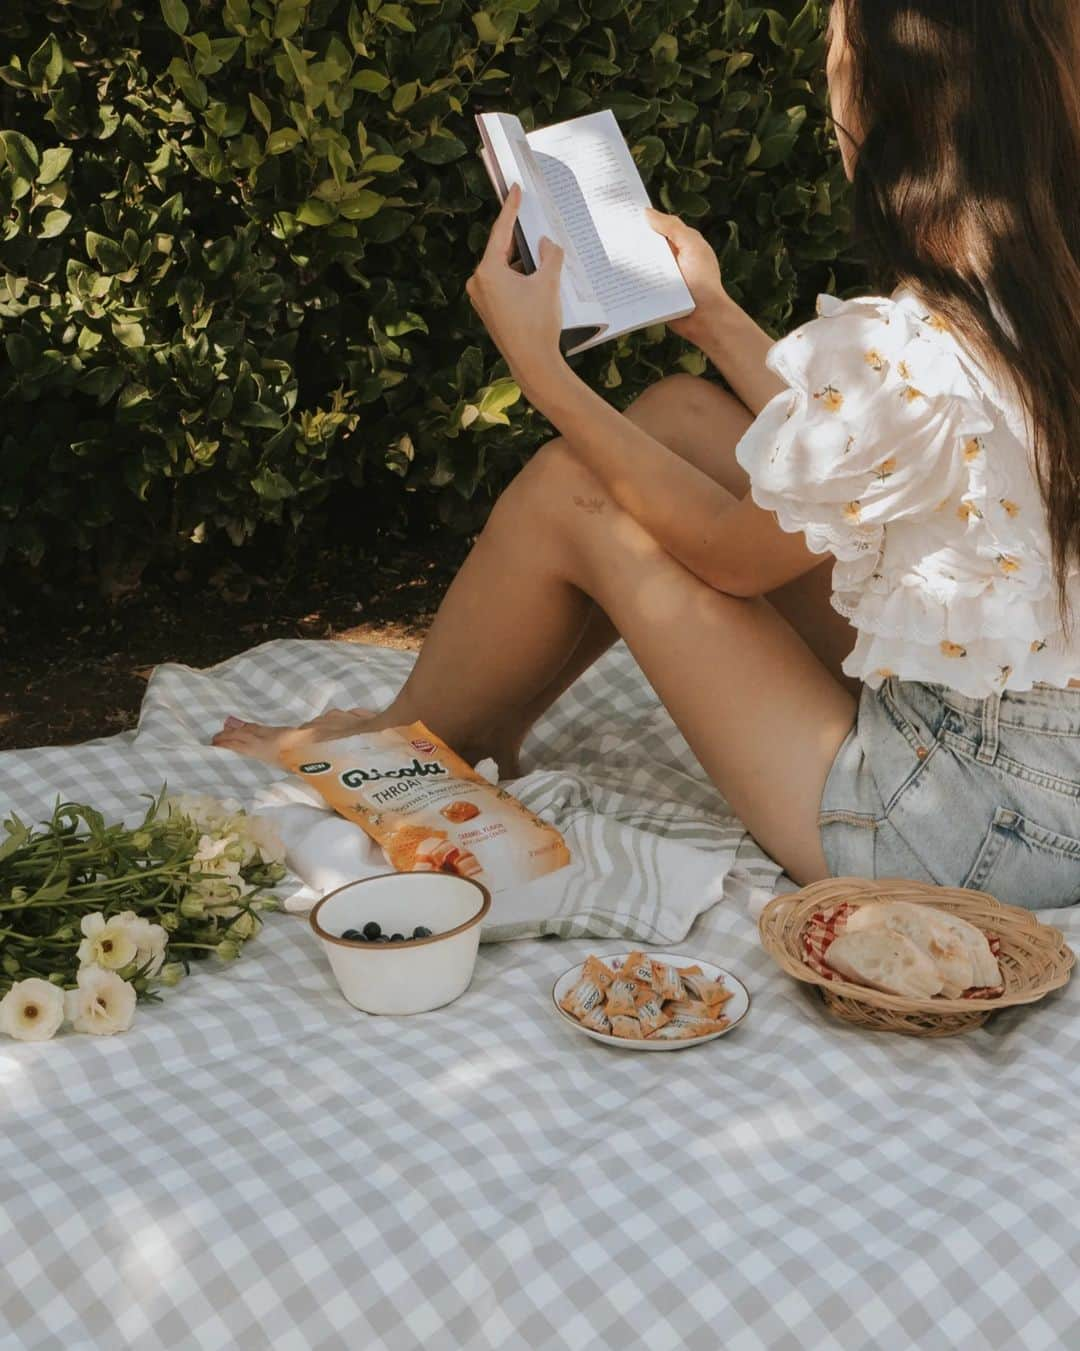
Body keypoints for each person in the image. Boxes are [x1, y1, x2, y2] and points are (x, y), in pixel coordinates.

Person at [214, 1, 1080, 908]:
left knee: (570, 490)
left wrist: (538, 369)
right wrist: (707, 313)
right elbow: (875, 441)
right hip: (1047, 781)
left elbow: (731, 557)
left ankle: (390, 742)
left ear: (890, 111)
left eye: (835, 60)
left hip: (947, 832)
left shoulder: (908, 346)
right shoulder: (1036, 289)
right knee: (675, 415)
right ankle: (480, 722)